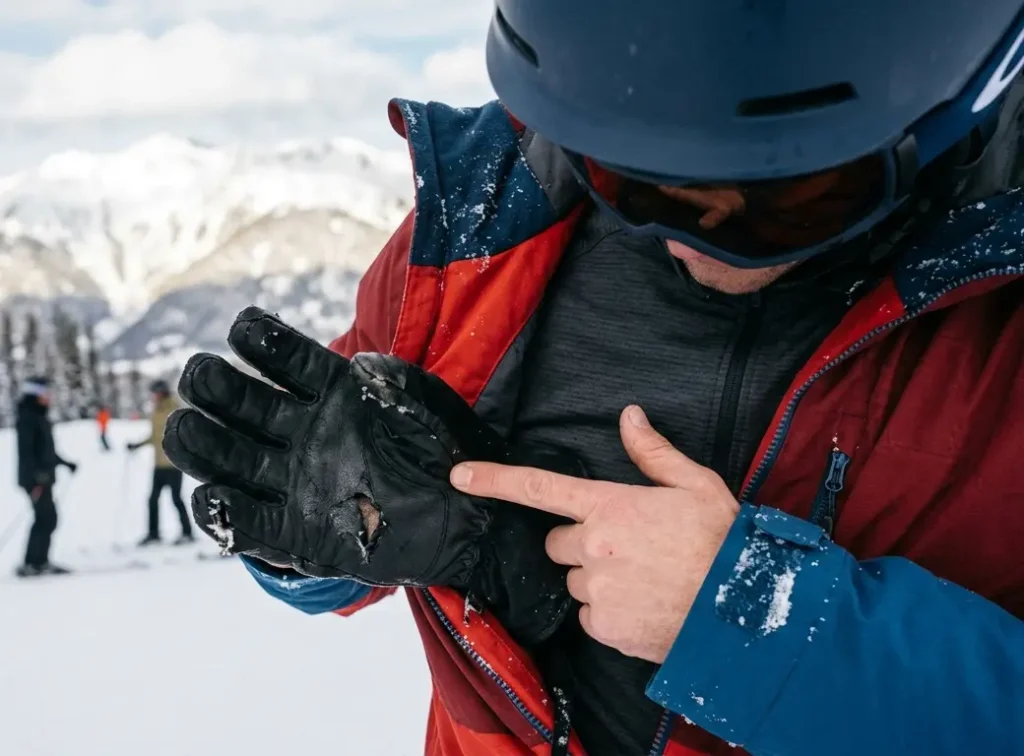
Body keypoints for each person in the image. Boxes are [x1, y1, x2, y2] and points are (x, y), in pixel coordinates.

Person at [165, 2, 1024, 755]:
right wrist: (333, 537)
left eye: (787, 195)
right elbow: (333, 501)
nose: (693, 238)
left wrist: (761, 624)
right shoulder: (486, 228)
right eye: (637, 181)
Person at [15, 376, 77, 577]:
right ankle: (33, 563)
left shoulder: (38, 415)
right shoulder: (28, 416)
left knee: (46, 518)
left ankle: (38, 561)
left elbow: (46, 451)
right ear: (35, 394)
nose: (48, 396)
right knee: (46, 518)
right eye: (44, 392)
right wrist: (37, 474)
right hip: (35, 479)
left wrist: (65, 463)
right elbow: (27, 451)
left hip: (42, 477)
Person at [128, 380, 193, 547]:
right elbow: (154, 437)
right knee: (152, 499)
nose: (153, 396)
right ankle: (153, 533)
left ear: (162, 392)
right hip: (158, 465)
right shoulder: (155, 411)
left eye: (155, 393)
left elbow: (181, 433)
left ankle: (187, 532)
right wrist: (137, 445)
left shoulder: (173, 409)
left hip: (173, 465)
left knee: (176, 499)